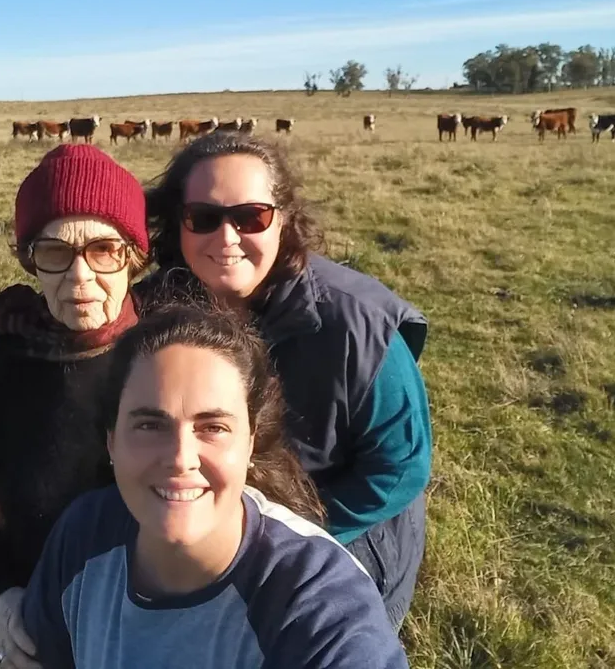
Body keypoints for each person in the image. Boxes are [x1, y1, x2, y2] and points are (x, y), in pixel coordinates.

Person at [140, 130, 431, 628]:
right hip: (206, 531)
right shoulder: (153, 312)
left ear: (283, 220)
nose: (227, 238)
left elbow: (400, 466)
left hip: (341, 533)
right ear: (177, 223)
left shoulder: (356, 324)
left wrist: (290, 537)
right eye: (203, 217)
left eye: (250, 217)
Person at [22, 304, 409, 669]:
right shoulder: (84, 536)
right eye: (150, 425)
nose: (180, 458)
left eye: (213, 428)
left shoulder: (320, 604)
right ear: (111, 440)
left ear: (251, 441)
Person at [0, 143, 149, 669]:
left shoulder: (170, 357)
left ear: (134, 258)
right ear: (31, 260)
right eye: (55, 252)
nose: (79, 277)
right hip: (28, 633)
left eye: (104, 249)